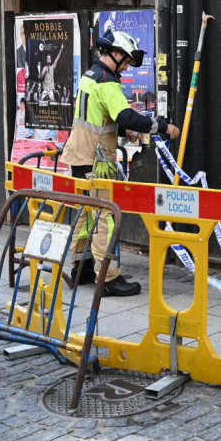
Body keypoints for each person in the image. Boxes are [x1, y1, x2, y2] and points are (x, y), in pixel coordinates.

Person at [61, 30, 181, 297]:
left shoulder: (90, 76)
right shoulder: (106, 80)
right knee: (106, 217)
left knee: (86, 213)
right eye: (125, 61)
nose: (127, 67)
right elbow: (125, 116)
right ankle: (108, 279)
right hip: (98, 159)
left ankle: (81, 268)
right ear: (114, 53)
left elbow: (101, 119)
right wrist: (162, 126)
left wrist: (124, 132)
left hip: (81, 155)